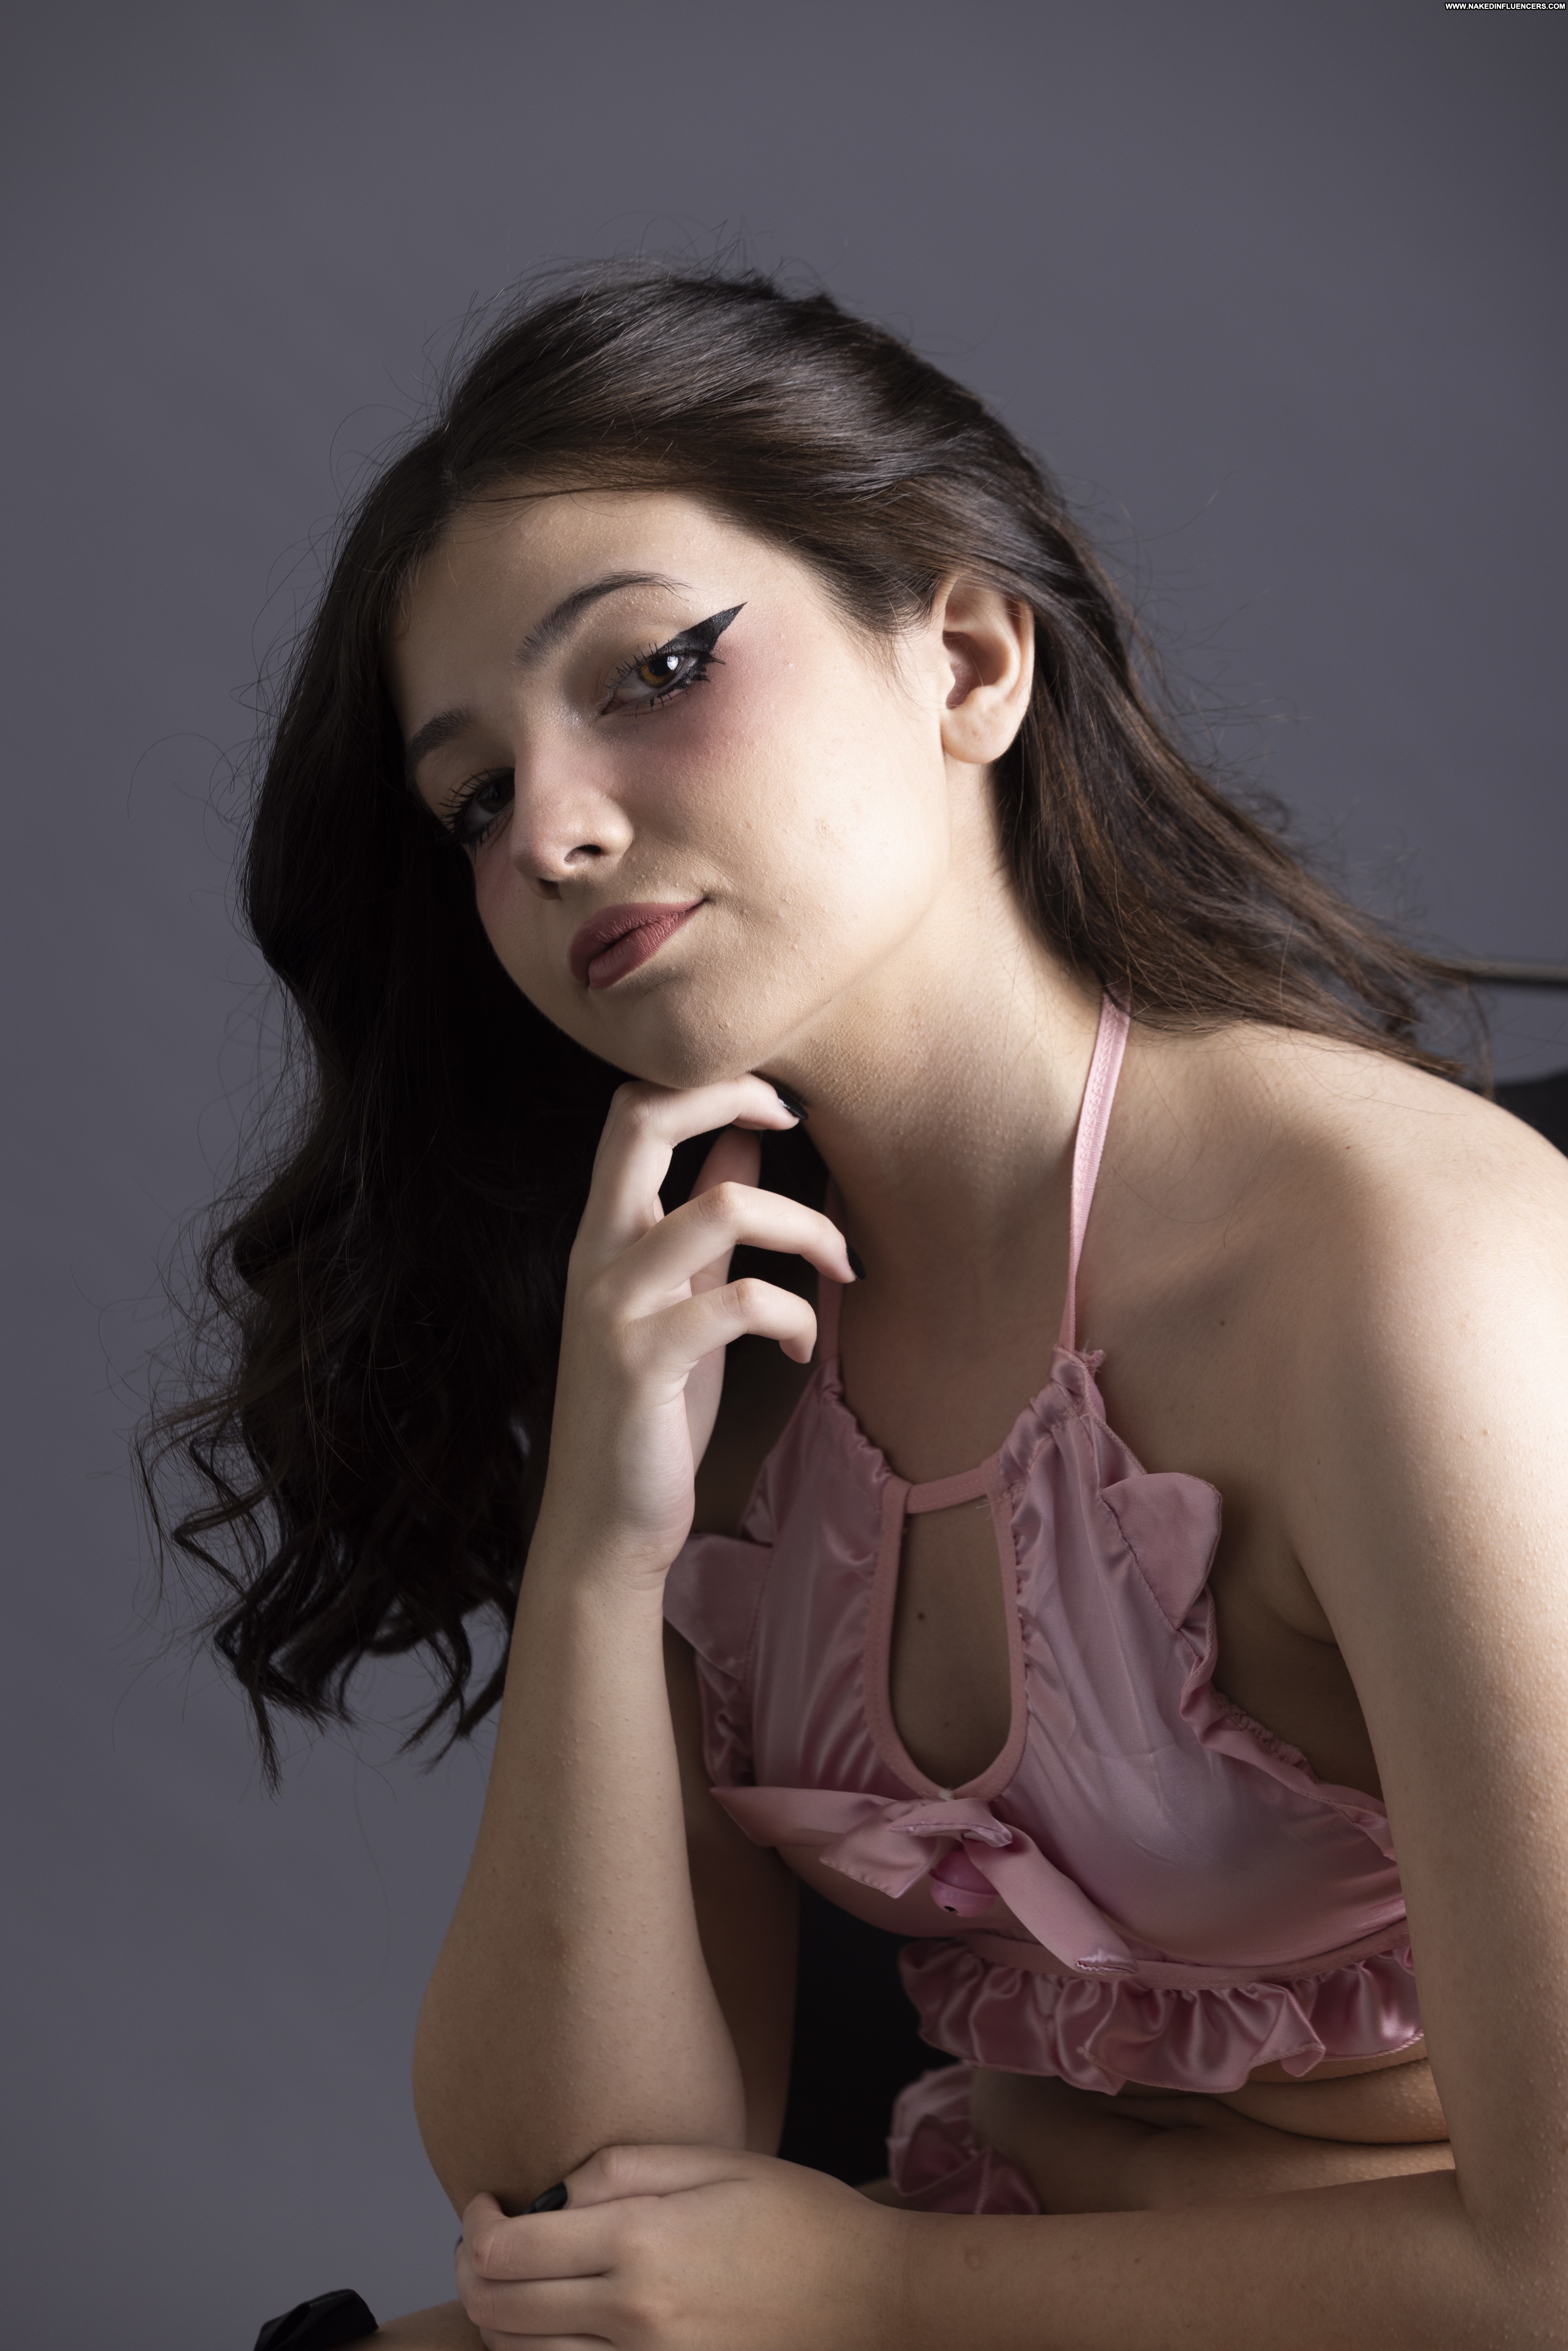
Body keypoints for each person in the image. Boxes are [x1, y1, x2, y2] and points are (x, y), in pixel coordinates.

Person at [147, 264, 1568, 2347]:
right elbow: (569, 2203)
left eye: (652, 669)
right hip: (976, 2252)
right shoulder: (719, 1325)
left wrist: (887, 2290)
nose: (553, 832)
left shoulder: (1386, 1260)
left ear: (968, 658)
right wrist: (598, 1540)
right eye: (474, 798)